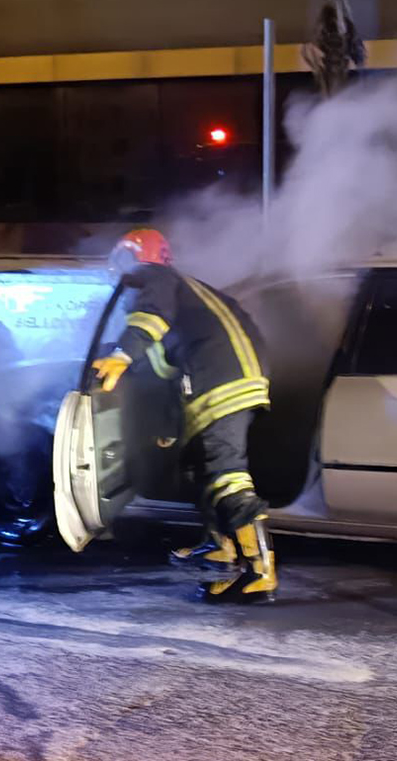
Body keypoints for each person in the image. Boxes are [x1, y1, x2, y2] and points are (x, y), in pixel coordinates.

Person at [92, 228, 278, 603]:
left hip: (220, 382)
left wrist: (121, 355)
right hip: (228, 379)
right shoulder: (192, 290)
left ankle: (261, 570)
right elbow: (165, 367)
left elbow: (151, 319)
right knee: (206, 472)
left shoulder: (156, 277)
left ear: (134, 258)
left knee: (227, 477)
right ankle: (223, 556)